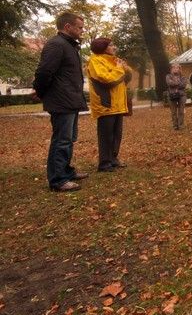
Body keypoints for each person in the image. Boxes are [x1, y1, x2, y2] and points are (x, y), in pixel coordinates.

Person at [32, 12, 89, 191]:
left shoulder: (69, 45)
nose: (82, 30)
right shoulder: (56, 45)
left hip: (70, 99)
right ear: (67, 27)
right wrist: (40, 91)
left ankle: (66, 171)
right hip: (61, 100)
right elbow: (44, 72)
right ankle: (58, 180)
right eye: (79, 27)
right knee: (62, 140)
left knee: (69, 139)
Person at [86, 38, 132, 172]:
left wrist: (125, 68)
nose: (114, 47)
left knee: (117, 134)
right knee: (106, 135)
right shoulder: (95, 61)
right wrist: (119, 69)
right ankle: (104, 163)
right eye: (111, 45)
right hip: (106, 103)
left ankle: (113, 159)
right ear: (103, 47)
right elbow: (106, 79)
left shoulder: (114, 60)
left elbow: (126, 77)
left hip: (118, 104)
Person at [166, 63, 187, 130]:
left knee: (181, 111)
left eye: (177, 67)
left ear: (179, 69)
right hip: (171, 95)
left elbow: (183, 85)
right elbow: (169, 83)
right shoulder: (168, 76)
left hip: (182, 95)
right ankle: (175, 125)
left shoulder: (183, 77)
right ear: (171, 69)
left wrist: (174, 83)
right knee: (173, 112)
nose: (175, 69)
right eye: (174, 67)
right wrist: (178, 83)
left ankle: (181, 125)